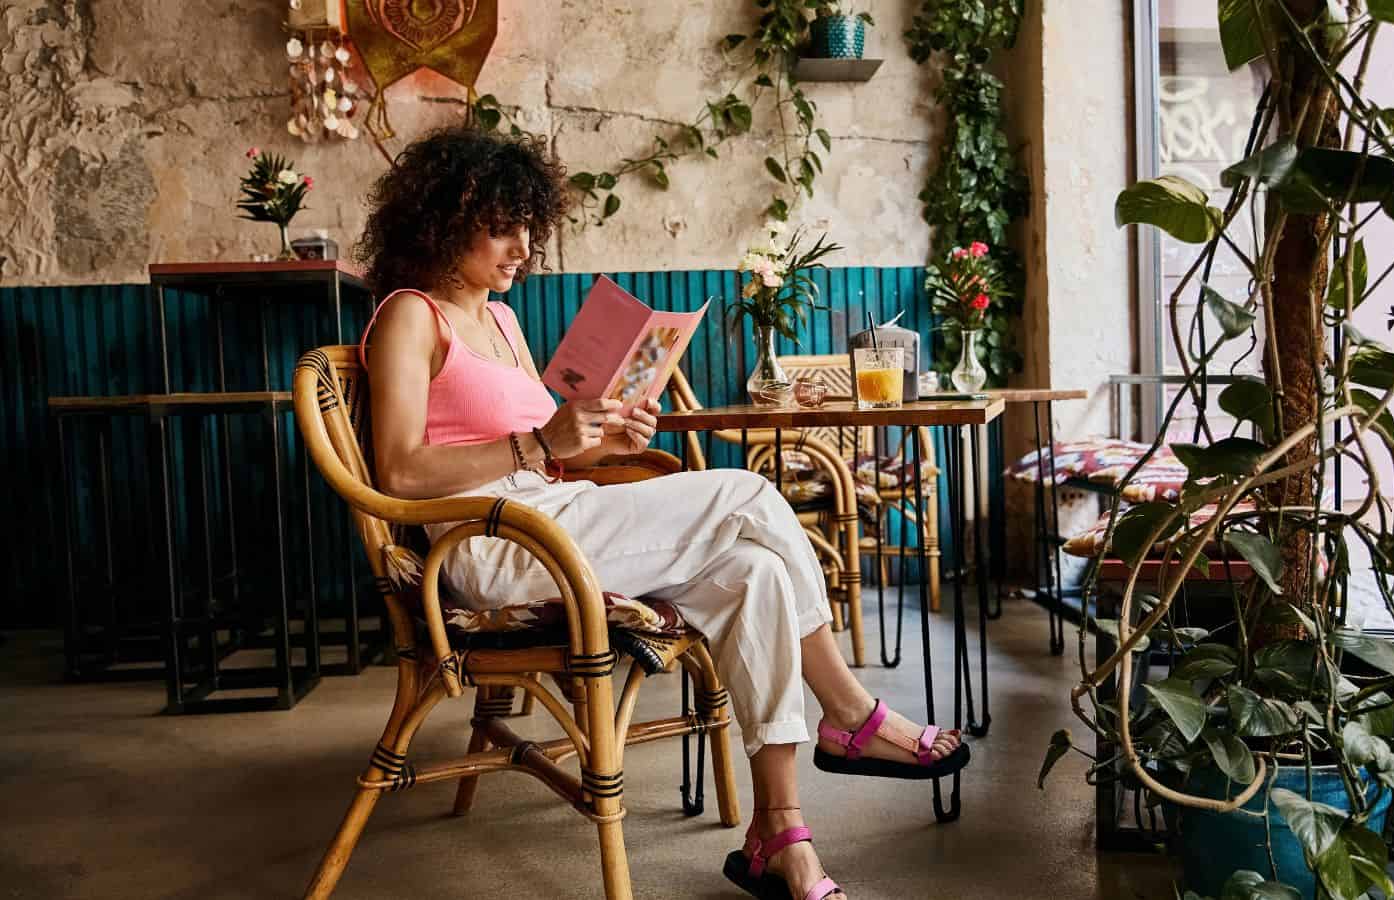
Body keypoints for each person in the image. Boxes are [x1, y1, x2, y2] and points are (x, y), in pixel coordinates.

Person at [356, 125, 970, 900]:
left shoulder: (502, 321)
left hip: (556, 512)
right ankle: (847, 709)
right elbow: (399, 470)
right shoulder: (411, 316)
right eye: (500, 227)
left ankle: (779, 835)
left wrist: (598, 436)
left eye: (527, 228)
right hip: (491, 546)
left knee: (754, 575)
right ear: (445, 220)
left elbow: (541, 449)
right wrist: (540, 441)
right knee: (748, 492)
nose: (521, 247)